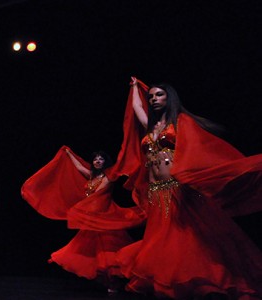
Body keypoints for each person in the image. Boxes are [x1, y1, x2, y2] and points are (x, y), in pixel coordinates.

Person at [111, 77, 262, 298]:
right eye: (151, 96)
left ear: (169, 97)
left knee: (181, 237)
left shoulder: (181, 122)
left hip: (177, 189)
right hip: (155, 192)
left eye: (159, 94)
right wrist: (134, 87)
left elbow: (198, 151)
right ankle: (171, 283)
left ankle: (200, 280)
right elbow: (136, 108)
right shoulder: (151, 126)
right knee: (163, 239)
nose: (153, 99)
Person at [21, 147, 144, 293]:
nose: (98, 161)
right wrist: (68, 153)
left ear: (106, 162)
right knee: (92, 251)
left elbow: (100, 193)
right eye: (95, 159)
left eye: (101, 159)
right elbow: (79, 167)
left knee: (108, 249)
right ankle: (109, 283)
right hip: (92, 218)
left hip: (104, 217)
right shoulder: (92, 175)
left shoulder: (109, 176)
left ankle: (117, 282)